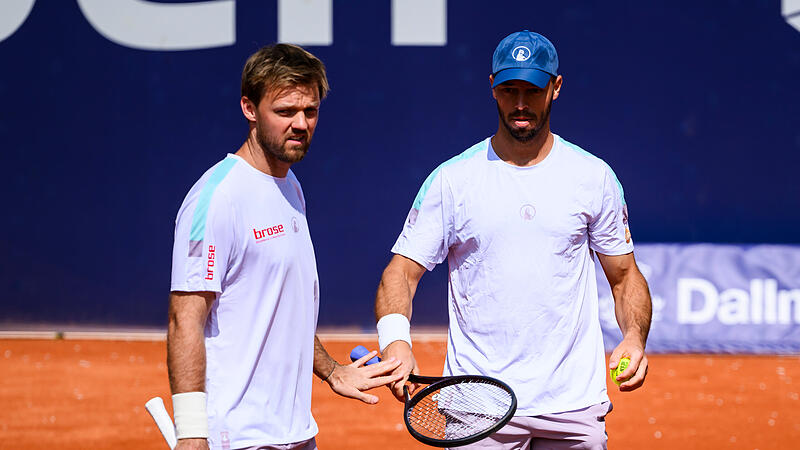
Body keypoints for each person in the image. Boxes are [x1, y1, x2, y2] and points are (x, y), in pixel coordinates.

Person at [374, 30, 652, 449]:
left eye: (532, 90)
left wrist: (634, 336)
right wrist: (395, 341)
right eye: (509, 90)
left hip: (572, 404)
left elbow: (624, 276)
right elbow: (400, 273)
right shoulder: (453, 180)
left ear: (555, 88)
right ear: (492, 88)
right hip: (477, 405)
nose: (520, 104)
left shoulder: (593, 177)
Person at [167, 43, 401, 450]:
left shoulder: (290, 186)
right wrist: (190, 434)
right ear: (249, 109)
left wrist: (331, 371)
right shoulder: (217, 198)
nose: (300, 123)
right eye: (285, 111)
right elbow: (184, 319)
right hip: (237, 438)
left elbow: (281, 309)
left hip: (295, 435)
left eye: (310, 111)